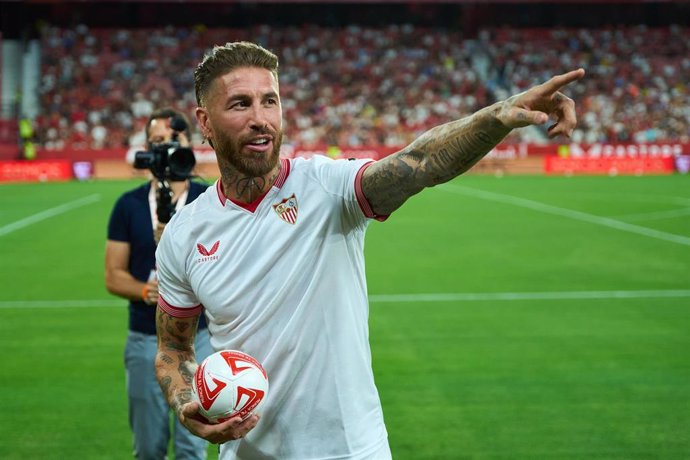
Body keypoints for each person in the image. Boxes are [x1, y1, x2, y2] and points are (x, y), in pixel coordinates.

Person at [153, 41, 585, 459]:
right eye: (240, 104)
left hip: (351, 451)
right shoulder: (185, 233)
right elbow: (174, 349)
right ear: (205, 122)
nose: (261, 118)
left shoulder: (326, 187)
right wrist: (188, 404)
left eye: (270, 101)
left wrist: (499, 116)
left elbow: (421, 163)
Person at [105, 107, 213, 460]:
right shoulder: (128, 205)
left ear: (188, 145)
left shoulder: (211, 200)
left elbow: (230, 269)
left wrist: (183, 243)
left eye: (173, 140)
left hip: (198, 338)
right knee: (149, 448)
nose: (166, 149)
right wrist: (143, 290)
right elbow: (113, 275)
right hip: (144, 337)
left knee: (192, 447)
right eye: (157, 142)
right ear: (146, 151)